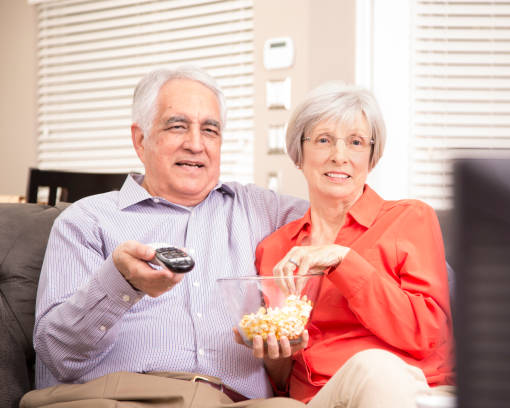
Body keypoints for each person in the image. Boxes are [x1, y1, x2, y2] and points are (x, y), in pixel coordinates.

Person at [21, 66, 309, 408]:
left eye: (210, 130)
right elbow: (58, 356)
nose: (196, 144)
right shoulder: (87, 220)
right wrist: (121, 283)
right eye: (177, 126)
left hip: (233, 401)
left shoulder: (260, 210)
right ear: (140, 140)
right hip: (124, 397)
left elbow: (345, 216)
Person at [241, 82, 455, 408]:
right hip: (317, 400)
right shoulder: (275, 248)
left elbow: (427, 335)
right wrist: (273, 353)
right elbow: (283, 379)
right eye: (324, 140)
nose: (339, 156)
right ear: (299, 154)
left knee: (375, 368)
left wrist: (343, 260)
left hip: (404, 386)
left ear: (372, 157)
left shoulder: (410, 218)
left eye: (355, 142)